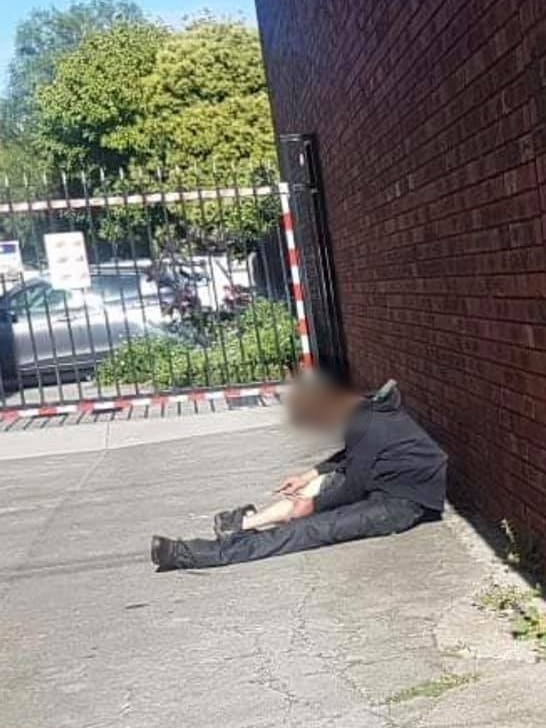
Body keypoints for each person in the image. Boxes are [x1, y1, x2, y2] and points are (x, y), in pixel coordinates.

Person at [151, 373, 448, 571]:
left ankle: (189, 554)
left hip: (400, 506)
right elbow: (351, 458)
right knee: (314, 498)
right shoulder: (369, 413)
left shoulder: (366, 423)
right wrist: (310, 475)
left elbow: (354, 484)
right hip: (385, 488)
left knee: (309, 529)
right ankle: (241, 526)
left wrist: (313, 506)